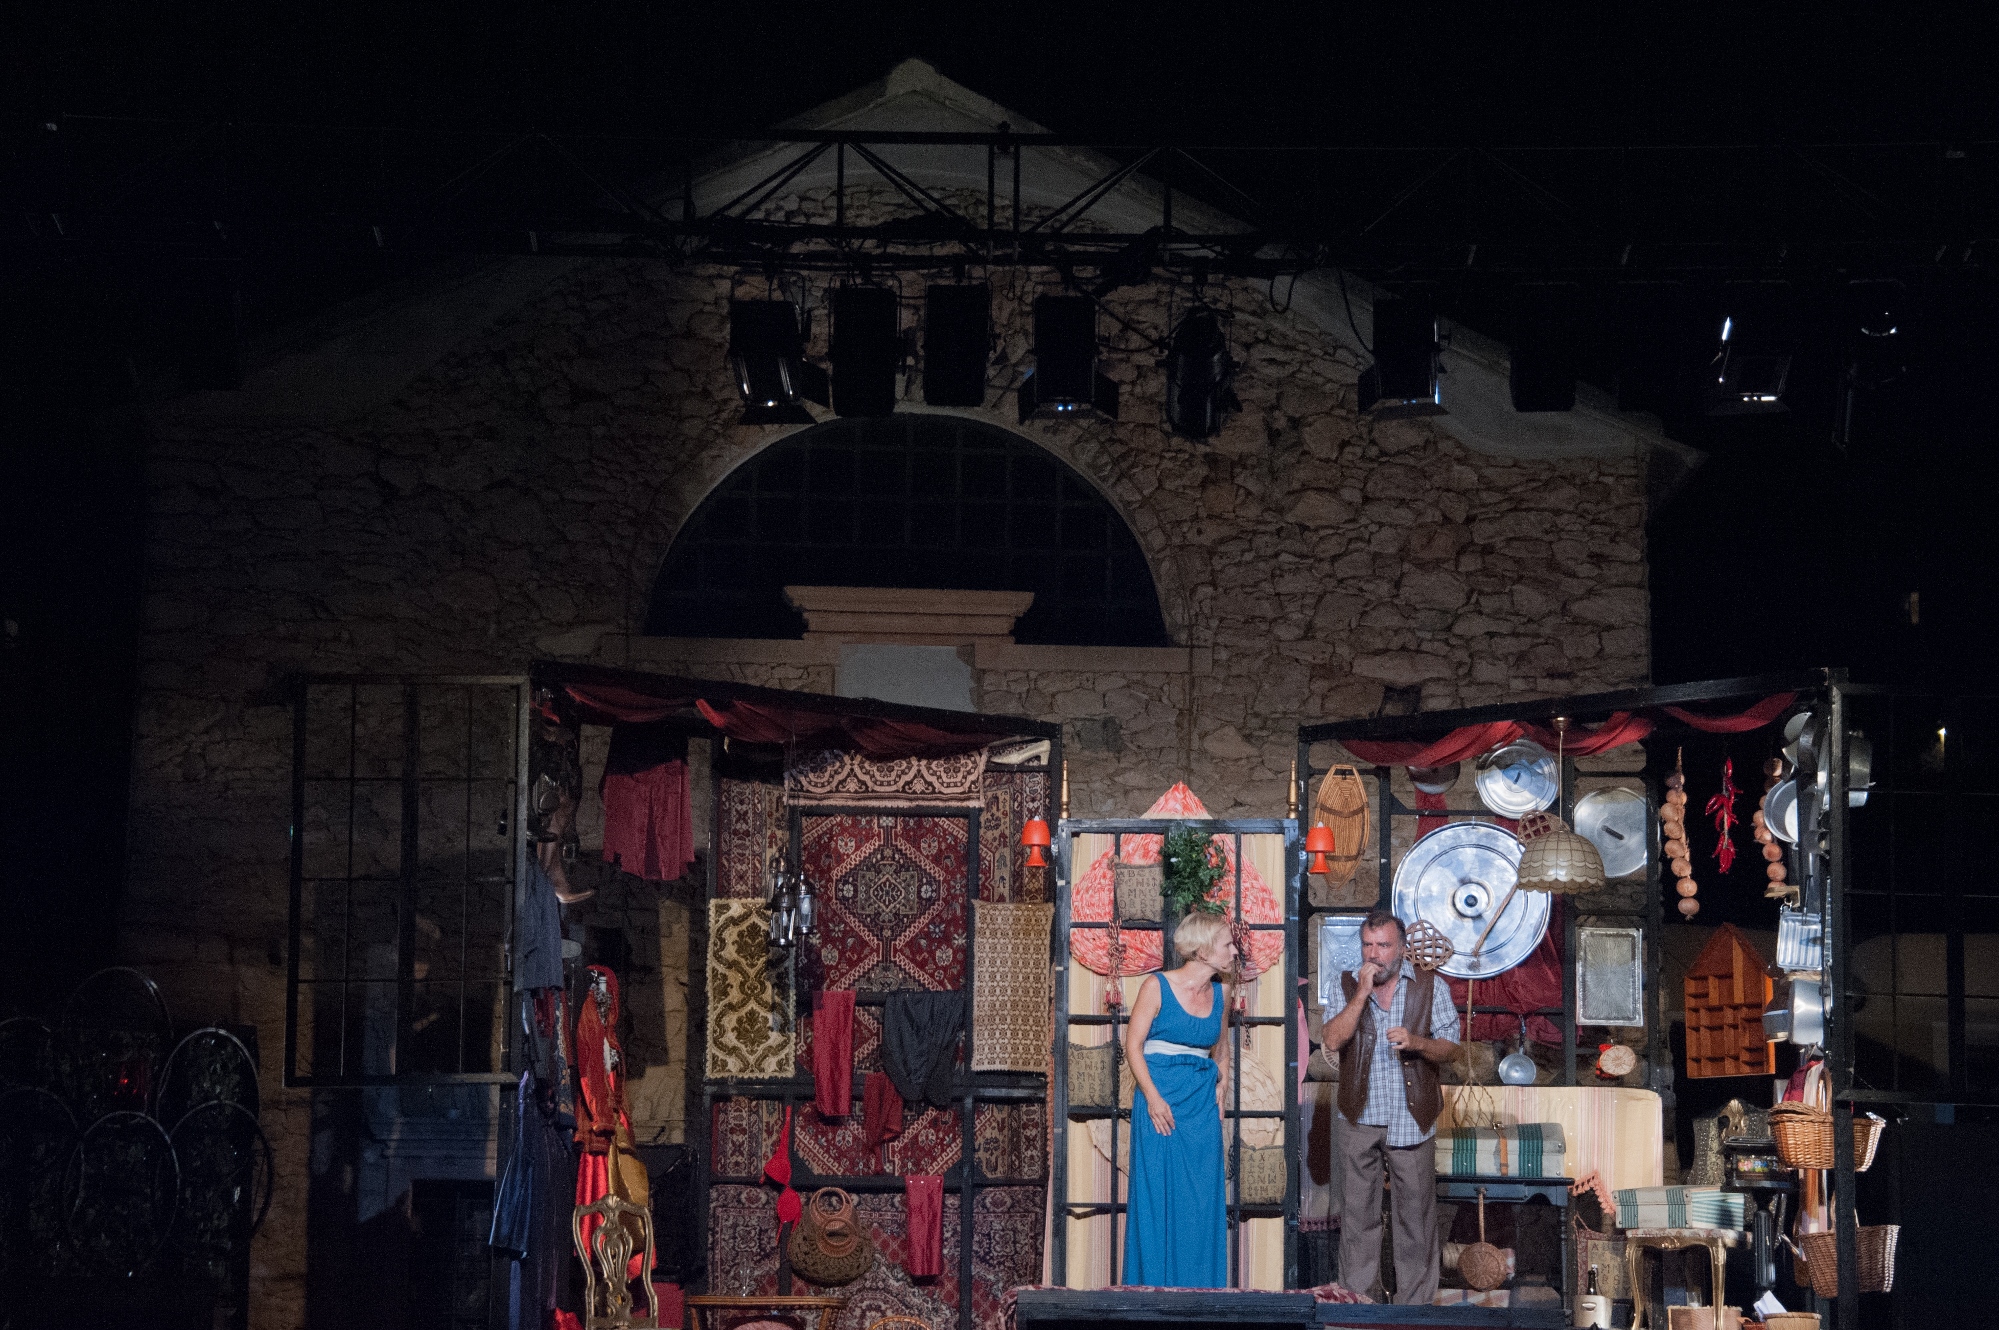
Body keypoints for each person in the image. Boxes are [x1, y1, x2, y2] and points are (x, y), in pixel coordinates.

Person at [1320, 910, 1460, 1304]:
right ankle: (1359, 1304)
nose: (1374, 954)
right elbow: (1332, 1040)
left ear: (1401, 949)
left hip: (1411, 1117)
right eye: (1368, 945)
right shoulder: (1345, 984)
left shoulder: (1431, 987)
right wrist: (1361, 994)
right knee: (1357, 1216)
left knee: (1415, 1219)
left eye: (1383, 945)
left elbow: (1451, 1047)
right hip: (1358, 1115)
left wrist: (1417, 1042)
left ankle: (1413, 1309)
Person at [1121, 909, 1238, 1287]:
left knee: (1200, 1202)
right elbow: (1133, 1047)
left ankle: (1200, 1295)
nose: (1235, 951)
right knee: (1157, 1197)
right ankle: (1153, 1295)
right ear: (1203, 950)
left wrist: (1222, 1087)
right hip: (1161, 1104)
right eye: (1227, 944)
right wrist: (1153, 1099)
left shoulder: (1221, 992)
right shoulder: (1156, 986)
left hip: (1200, 1108)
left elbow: (1221, 1049)